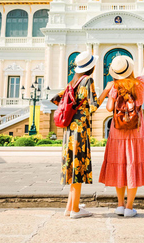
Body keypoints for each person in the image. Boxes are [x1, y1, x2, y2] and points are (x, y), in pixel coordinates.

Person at [51, 51, 113, 219]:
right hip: (80, 131)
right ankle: (76, 211)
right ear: (91, 67)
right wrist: (106, 91)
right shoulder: (87, 80)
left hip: (69, 130)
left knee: (72, 167)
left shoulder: (73, 81)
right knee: (78, 168)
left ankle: (70, 206)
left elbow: (57, 99)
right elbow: (93, 106)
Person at [99, 56, 144, 217]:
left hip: (117, 132)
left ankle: (120, 206)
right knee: (133, 165)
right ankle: (130, 208)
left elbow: (109, 108)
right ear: (130, 70)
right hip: (136, 131)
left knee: (119, 165)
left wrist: (110, 93)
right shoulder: (140, 84)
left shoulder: (115, 86)